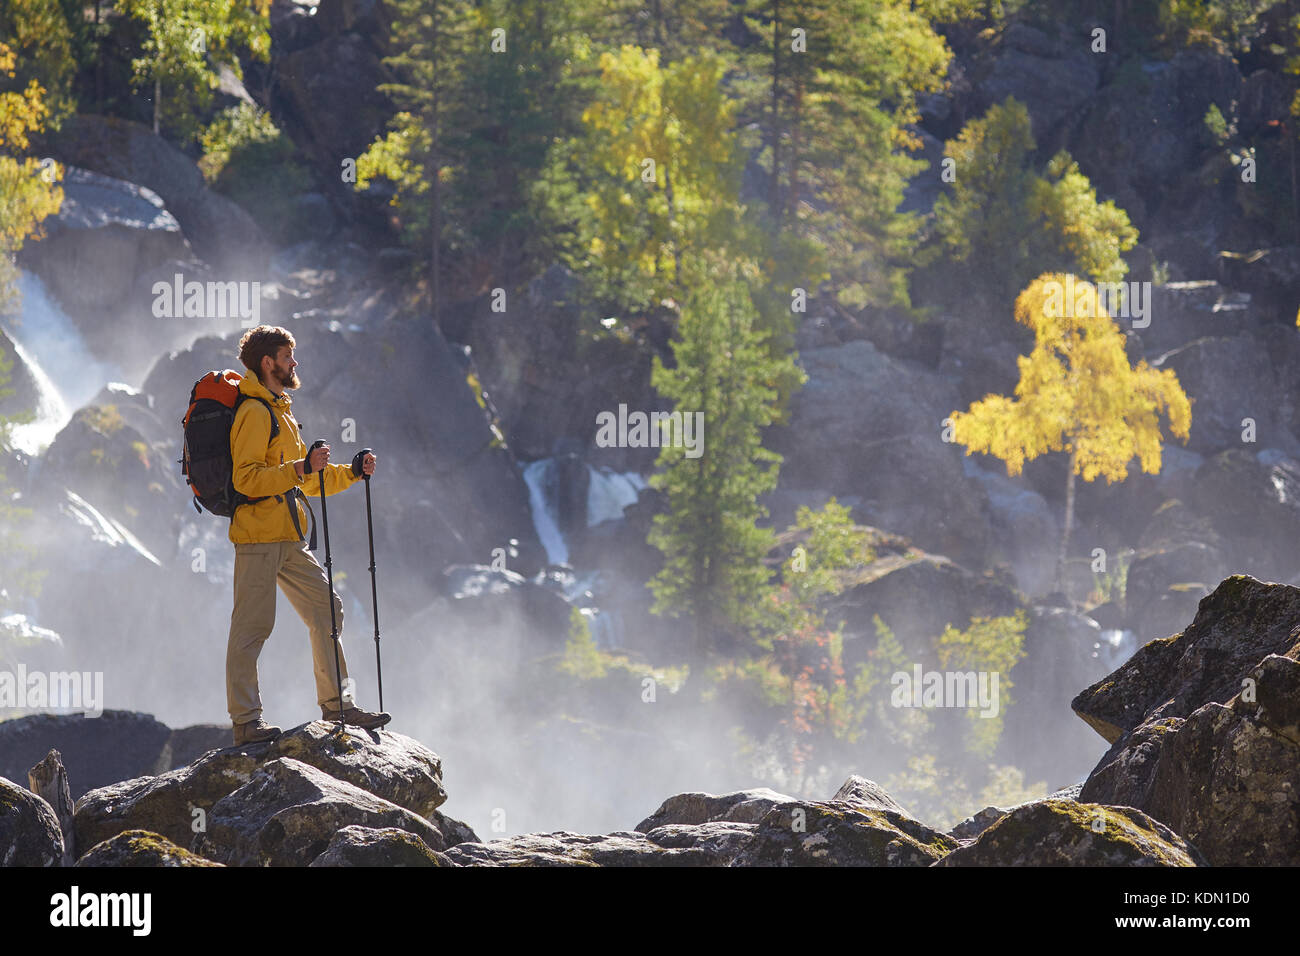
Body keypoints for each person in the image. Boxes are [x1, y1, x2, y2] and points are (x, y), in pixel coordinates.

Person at [225, 324, 390, 745]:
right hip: (259, 537)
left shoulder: (280, 411)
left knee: (326, 610)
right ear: (268, 362)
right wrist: (299, 469)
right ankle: (246, 722)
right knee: (252, 629)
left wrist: (351, 472)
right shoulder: (254, 412)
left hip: (289, 536)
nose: (294, 362)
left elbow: (306, 478)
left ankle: (338, 706)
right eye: (287, 356)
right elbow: (245, 480)